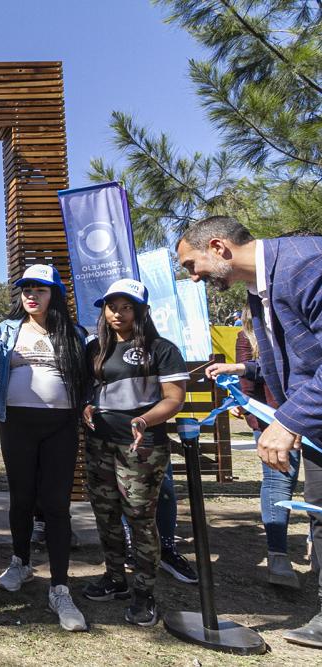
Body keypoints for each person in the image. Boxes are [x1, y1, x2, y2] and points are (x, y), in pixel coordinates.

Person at [179, 217, 322, 647]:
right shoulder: (260, 291)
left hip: (307, 419)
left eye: (191, 264)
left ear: (218, 247)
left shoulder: (306, 267)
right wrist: (246, 369)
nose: (193, 276)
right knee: (319, 515)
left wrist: (288, 421)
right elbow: (299, 362)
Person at [0, 264, 90, 632]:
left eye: (40, 289)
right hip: (18, 425)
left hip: (61, 426)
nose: (31, 295)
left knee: (56, 505)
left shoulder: (74, 333)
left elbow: (84, 380)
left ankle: (60, 587)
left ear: (54, 294)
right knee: (22, 498)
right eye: (27, 288)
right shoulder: (5, 331)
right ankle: (20, 562)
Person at [81, 279, 188, 627]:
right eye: (112, 306)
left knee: (140, 520)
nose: (117, 313)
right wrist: (86, 406)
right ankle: (114, 579)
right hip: (100, 444)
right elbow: (90, 390)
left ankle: (144, 593)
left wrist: (143, 419)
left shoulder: (162, 348)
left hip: (142, 448)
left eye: (126, 306)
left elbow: (174, 398)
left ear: (141, 311)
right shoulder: (94, 348)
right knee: (106, 514)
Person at [233, 303, 299, 589]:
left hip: (308, 417)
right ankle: (278, 555)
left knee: (314, 492)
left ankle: (313, 543)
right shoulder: (247, 336)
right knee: (278, 483)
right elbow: (247, 386)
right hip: (273, 421)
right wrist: (256, 420)